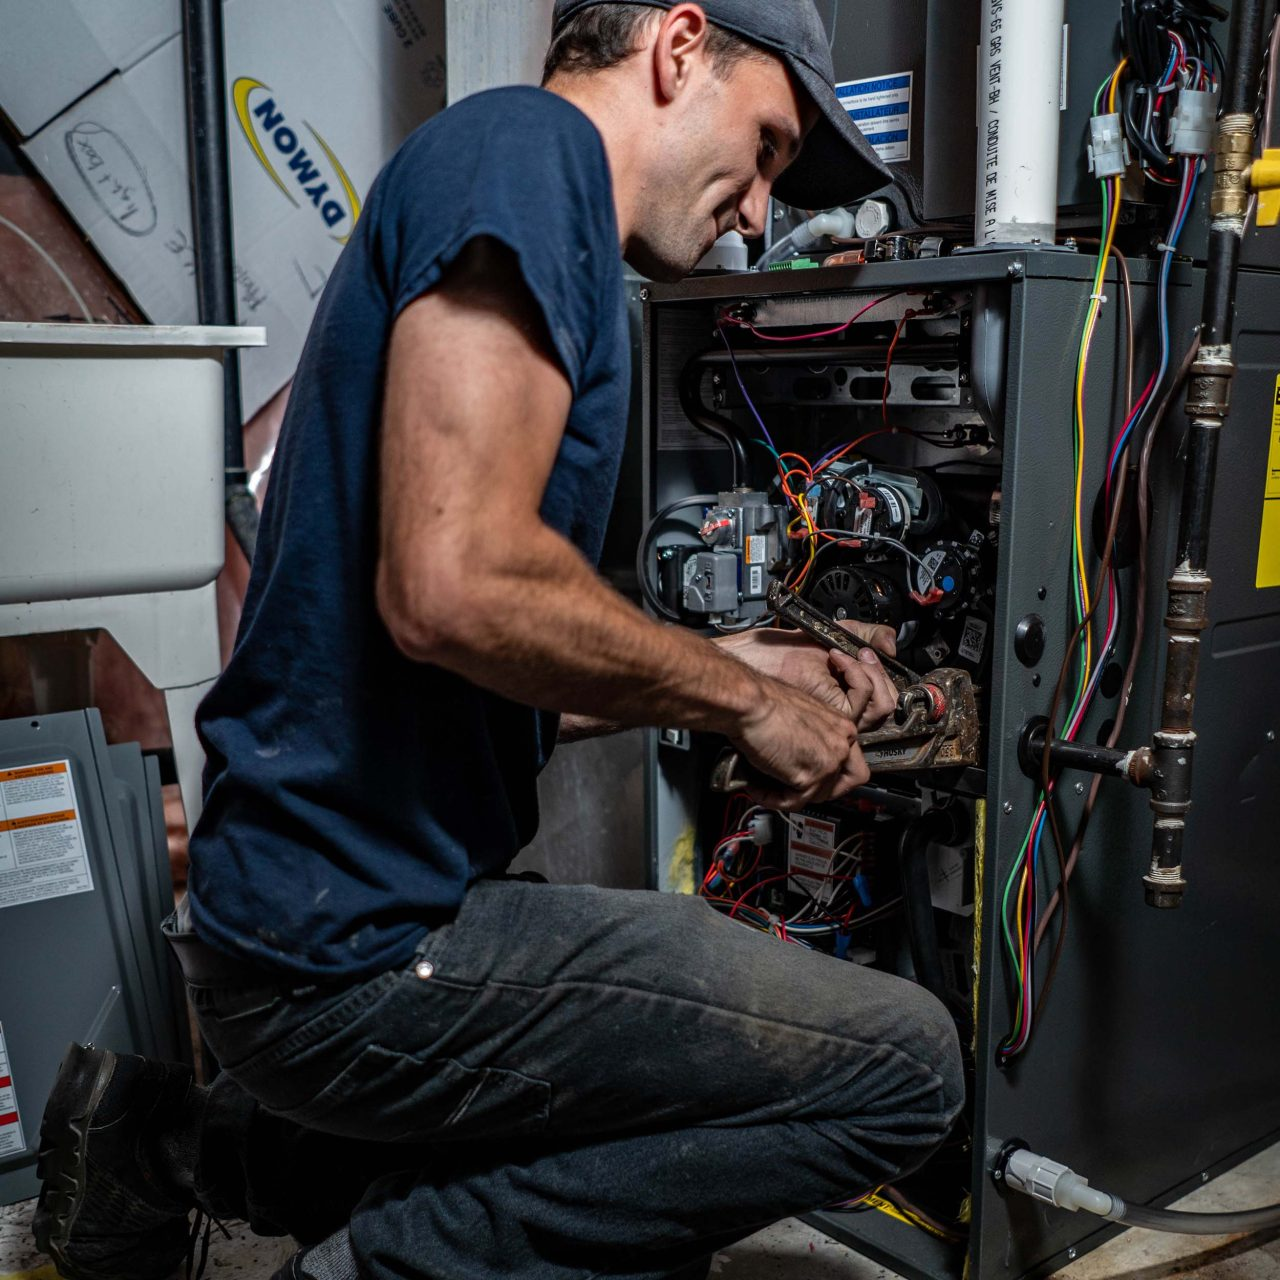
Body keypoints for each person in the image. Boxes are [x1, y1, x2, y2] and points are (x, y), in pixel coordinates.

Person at [33, 4, 964, 1279]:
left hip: (307, 924)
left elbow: (472, 657)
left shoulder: (524, 186)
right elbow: (457, 587)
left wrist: (745, 671)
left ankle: (186, 1149)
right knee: (905, 1068)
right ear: (678, 45)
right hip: (351, 956)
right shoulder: (527, 157)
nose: (759, 209)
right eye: (763, 148)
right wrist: (739, 705)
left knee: (630, 1103)